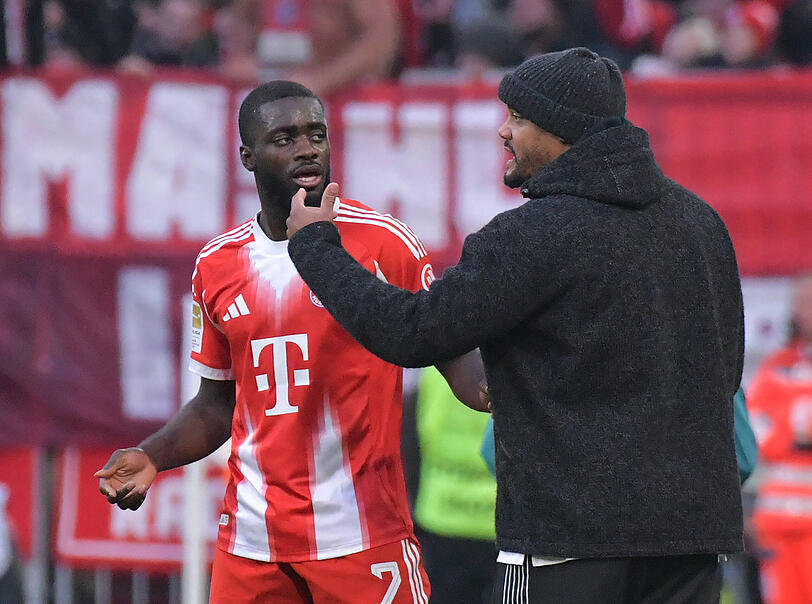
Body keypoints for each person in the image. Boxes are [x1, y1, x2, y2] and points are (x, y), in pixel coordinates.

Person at [285, 47, 745, 603]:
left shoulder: (531, 236)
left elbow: (411, 331)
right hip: (692, 539)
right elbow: (728, 368)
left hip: (567, 541)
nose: (503, 131)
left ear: (563, 131)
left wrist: (315, 247)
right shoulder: (701, 222)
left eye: (519, 119)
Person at [94, 80, 484, 604]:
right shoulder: (216, 265)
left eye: (316, 134)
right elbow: (218, 405)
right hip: (252, 544)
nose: (306, 148)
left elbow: (463, 366)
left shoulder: (386, 243)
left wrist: (520, 386)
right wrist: (151, 456)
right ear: (247, 157)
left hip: (363, 537)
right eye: (284, 138)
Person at [747, 273, 812, 604]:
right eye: (801, 302)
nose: (805, 310)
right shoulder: (777, 369)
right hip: (780, 523)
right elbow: (759, 435)